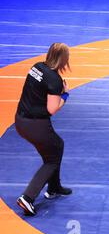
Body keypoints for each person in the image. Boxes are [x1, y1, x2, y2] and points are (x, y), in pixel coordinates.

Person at [15, 43, 72, 216]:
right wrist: (65, 95)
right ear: (63, 59)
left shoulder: (37, 67)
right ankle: (28, 197)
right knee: (51, 160)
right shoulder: (54, 80)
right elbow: (52, 109)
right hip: (36, 125)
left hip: (20, 120)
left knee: (56, 146)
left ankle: (54, 187)